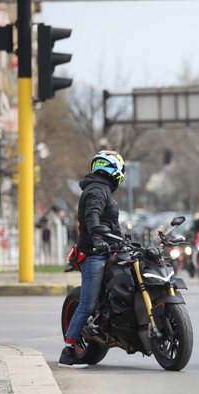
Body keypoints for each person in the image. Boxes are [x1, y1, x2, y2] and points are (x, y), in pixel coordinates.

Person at [59, 150, 126, 369]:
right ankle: (68, 349)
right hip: (94, 254)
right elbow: (92, 216)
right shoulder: (97, 190)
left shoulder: (101, 188)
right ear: (112, 169)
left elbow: (109, 222)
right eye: (120, 170)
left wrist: (122, 240)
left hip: (107, 250)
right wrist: (97, 238)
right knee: (87, 303)